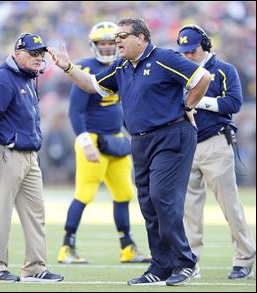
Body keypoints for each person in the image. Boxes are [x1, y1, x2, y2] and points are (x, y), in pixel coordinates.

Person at [48, 18, 211, 286]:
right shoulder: (122, 65)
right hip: (140, 140)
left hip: (171, 135)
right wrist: (67, 66)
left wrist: (188, 105)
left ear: (142, 38)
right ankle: (161, 267)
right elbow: (91, 85)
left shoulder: (163, 57)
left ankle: (186, 262)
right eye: (116, 36)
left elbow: (201, 77)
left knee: (163, 198)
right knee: (148, 204)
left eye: (123, 35)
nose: (117, 40)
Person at [57, 21, 150, 264]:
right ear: (93, 45)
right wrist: (85, 141)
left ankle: (127, 247)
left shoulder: (124, 66)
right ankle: (67, 247)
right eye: (102, 43)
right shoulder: (85, 68)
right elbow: (75, 111)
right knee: (85, 194)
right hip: (93, 138)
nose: (108, 47)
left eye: (111, 42)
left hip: (116, 138)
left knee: (124, 193)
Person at [0, 33, 64, 283]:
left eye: (41, 53)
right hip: (6, 154)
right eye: (33, 53)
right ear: (18, 54)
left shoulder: (28, 78)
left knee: (36, 214)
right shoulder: (2, 78)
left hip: (29, 156)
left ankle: (34, 268)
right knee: (0, 213)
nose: (39, 58)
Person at [176, 24, 256, 279]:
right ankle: (191, 262)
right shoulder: (179, 69)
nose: (189, 55)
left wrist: (198, 101)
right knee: (189, 210)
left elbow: (234, 103)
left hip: (214, 143)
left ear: (206, 46)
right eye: (185, 51)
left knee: (230, 206)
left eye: (193, 50)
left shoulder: (224, 70)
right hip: (186, 143)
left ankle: (244, 258)